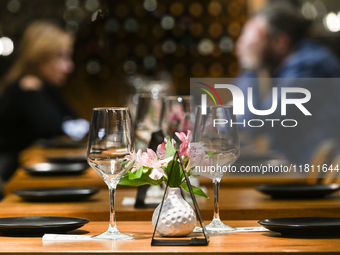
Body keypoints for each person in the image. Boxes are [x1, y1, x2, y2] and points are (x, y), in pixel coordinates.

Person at [234, 3, 340, 166]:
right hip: (301, 173)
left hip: (315, 182)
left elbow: (253, 121)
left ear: (281, 42)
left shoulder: (309, 67)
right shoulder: (297, 66)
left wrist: (250, 66)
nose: (242, 44)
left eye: (253, 37)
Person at [0, 20, 89, 186]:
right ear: (40, 57)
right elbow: (53, 128)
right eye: (61, 57)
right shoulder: (27, 86)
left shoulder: (46, 87)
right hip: (11, 177)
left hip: (28, 172)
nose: (69, 67)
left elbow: (73, 121)